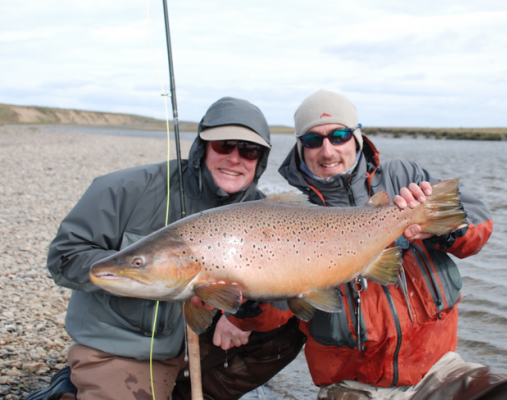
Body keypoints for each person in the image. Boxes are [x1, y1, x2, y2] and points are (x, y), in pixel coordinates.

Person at [225, 90, 507, 399]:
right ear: (301, 147)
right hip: (352, 387)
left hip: (439, 373)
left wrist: (443, 229)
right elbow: (277, 315)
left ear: (356, 137)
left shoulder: (404, 176)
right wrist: (245, 306)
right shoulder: (286, 214)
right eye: (313, 140)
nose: (327, 150)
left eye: (339, 136)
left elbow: (478, 225)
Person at [30, 97, 305, 400]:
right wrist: (137, 273)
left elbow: (285, 287)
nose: (235, 158)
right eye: (224, 145)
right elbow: (65, 257)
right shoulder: (126, 189)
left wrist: (242, 311)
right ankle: (72, 386)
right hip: (128, 350)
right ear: (202, 147)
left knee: (290, 329)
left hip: (199, 346)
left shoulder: (265, 214)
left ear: (260, 160)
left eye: (249, 151)